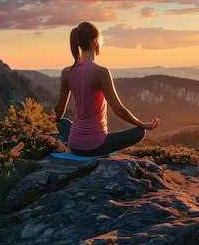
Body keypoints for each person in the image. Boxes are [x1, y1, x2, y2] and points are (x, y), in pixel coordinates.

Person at [52, 21, 159, 156]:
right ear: (95, 42)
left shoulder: (67, 72)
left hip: (74, 144)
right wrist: (142, 124)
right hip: (95, 146)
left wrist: (56, 118)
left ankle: (77, 139)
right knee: (139, 132)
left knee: (62, 123)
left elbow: (59, 109)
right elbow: (118, 109)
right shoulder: (101, 72)